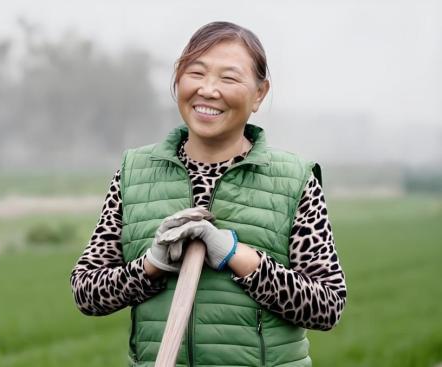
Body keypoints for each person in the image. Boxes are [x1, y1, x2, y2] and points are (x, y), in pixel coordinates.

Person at [70, 21, 346, 367]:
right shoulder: (134, 172)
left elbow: (327, 306)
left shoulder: (293, 180)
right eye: (196, 73)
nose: (208, 90)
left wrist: (237, 255)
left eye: (228, 78)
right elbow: (86, 292)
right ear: (178, 79)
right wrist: (150, 267)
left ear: (260, 93)